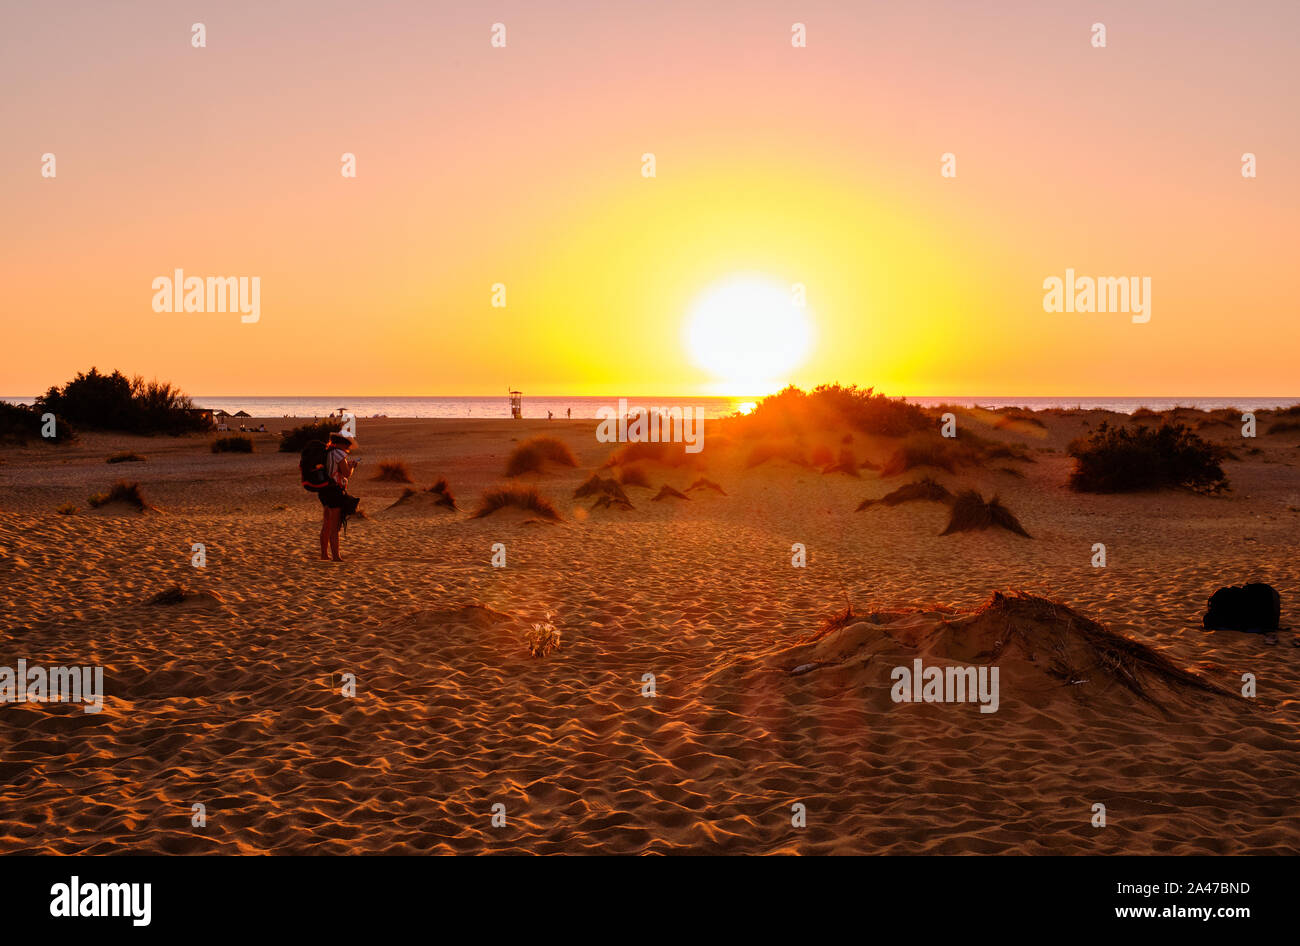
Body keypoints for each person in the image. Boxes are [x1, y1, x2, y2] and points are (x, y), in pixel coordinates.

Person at [319, 433, 358, 561]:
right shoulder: (339, 454)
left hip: (324, 489)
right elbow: (346, 474)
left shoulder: (327, 452)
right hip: (335, 490)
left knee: (326, 523)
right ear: (342, 443)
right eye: (347, 444)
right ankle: (336, 556)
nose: (348, 446)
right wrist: (352, 467)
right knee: (335, 526)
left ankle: (324, 554)